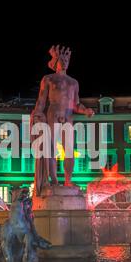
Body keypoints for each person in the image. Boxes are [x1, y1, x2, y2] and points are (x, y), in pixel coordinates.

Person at [31, 45, 94, 189]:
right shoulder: (48, 79)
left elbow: (76, 104)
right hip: (53, 114)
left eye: (67, 59)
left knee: (69, 151)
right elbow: (41, 100)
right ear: (55, 62)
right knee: (52, 149)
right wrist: (38, 113)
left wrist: (86, 111)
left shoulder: (74, 82)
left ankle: (67, 180)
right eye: (62, 59)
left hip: (68, 116)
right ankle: (54, 181)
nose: (65, 62)